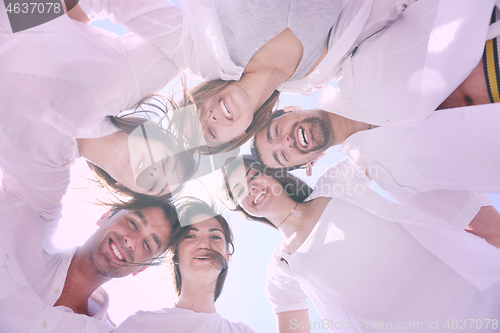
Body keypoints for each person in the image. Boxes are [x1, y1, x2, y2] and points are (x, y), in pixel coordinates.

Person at [73, 0, 418, 150]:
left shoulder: (200, 52)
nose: (210, 115)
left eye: (197, 110)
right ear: (238, 136)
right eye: (210, 131)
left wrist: (20, 16)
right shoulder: (316, 76)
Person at [222, 155, 500, 333]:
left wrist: (314, 141)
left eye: (253, 176)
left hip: (482, 290)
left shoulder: (333, 184)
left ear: (271, 173)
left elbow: (377, 145)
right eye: (240, 191)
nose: (252, 189)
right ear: (243, 209)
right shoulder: (282, 269)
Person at [0, 7, 198, 222]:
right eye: (166, 162)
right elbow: (197, 42)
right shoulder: (127, 78)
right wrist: (25, 10)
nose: (153, 171)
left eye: (154, 184)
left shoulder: (48, 182)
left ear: (124, 187)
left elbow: (26, 234)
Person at [250, 103, 500, 247]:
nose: (286, 143)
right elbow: (488, 230)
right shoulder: (392, 179)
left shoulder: (359, 64)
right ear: (311, 162)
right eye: (282, 156)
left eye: (275, 131)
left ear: (291, 108)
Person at [0, 174, 180, 333]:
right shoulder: (20, 227)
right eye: (133, 223)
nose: (131, 241)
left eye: (147, 245)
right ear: (105, 216)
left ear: (140, 269)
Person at [114, 199, 256, 333]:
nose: (204, 244)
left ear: (226, 256)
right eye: (190, 236)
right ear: (176, 254)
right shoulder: (139, 324)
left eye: (215, 236)